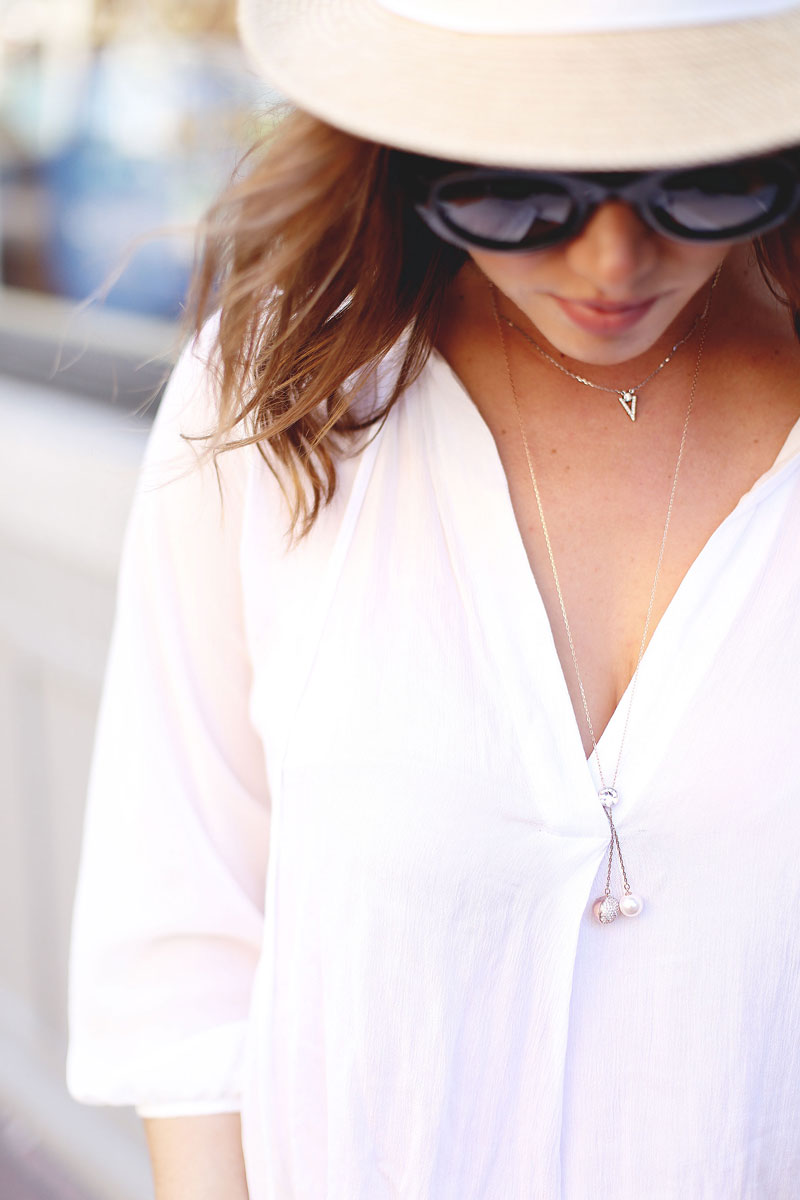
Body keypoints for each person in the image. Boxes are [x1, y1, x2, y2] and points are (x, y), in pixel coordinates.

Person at [67, 1, 800, 1197]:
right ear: (409, 155)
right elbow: (186, 964)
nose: (612, 262)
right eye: (523, 191)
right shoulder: (273, 404)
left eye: (698, 181)